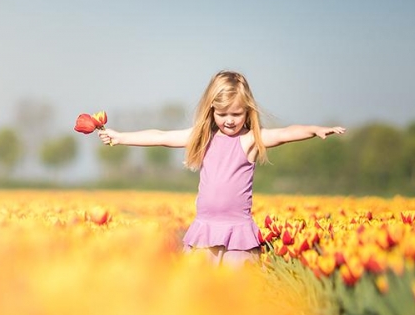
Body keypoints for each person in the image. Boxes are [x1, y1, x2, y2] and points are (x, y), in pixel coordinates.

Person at [98, 70, 345, 267]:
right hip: (204, 229)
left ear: (248, 111)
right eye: (222, 113)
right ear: (211, 110)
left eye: (236, 114)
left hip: (238, 232)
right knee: (199, 295)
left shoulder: (249, 140)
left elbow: (284, 134)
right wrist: (121, 137)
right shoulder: (203, 137)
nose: (229, 120)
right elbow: (161, 136)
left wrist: (314, 130)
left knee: (237, 296)